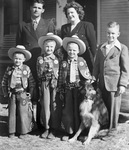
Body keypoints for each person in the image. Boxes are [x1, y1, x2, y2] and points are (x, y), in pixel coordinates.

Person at [16, 0, 56, 128]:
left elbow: (53, 44)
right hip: (27, 63)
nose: (36, 10)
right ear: (30, 8)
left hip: (43, 64)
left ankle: (41, 122)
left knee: (41, 92)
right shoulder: (23, 25)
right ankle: (24, 122)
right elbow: (18, 46)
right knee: (25, 90)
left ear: (43, 10)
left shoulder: (49, 23)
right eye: (34, 7)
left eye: (39, 8)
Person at [93, 21, 129, 132]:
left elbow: (125, 68)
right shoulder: (101, 48)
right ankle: (104, 127)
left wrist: (123, 84)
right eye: (108, 33)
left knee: (114, 108)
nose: (110, 36)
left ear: (118, 34)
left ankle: (112, 129)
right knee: (104, 107)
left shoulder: (122, 48)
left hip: (115, 84)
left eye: (113, 33)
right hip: (103, 83)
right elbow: (97, 66)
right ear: (106, 33)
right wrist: (94, 79)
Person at [58, 35, 92, 140]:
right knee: (68, 110)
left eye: (74, 50)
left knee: (79, 110)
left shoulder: (81, 61)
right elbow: (60, 77)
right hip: (68, 89)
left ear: (78, 51)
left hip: (79, 89)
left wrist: (87, 86)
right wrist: (60, 90)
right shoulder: (64, 62)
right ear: (66, 50)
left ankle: (80, 132)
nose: (71, 52)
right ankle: (69, 131)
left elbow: (87, 75)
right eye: (69, 50)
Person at [1, 45, 35, 139]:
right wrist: (5, 93)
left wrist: (30, 93)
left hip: (23, 93)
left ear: (24, 59)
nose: (17, 61)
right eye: (16, 58)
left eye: (20, 59)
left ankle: (23, 131)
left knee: (23, 112)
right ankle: (11, 131)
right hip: (12, 93)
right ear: (12, 59)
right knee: (12, 112)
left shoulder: (26, 69)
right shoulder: (9, 69)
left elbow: (31, 82)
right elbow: (4, 81)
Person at [37, 33, 62, 139]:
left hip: (54, 84)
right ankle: (46, 128)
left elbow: (59, 73)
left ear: (54, 48)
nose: (49, 48)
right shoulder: (40, 59)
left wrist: (55, 81)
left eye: (51, 47)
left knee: (54, 105)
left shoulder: (57, 59)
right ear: (43, 47)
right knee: (45, 105)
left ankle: (54, 128)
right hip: (44, 84)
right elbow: (38, 73)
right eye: (47, 46)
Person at [60, 1, 97, 74]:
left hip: (84, 61)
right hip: (69, 62)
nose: (70, 15)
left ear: (78, 13)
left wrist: (91, 60)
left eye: (72, 12)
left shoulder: (87, 25)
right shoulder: (64, 28)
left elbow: (93, 46)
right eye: (68, 13)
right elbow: (63, 47)